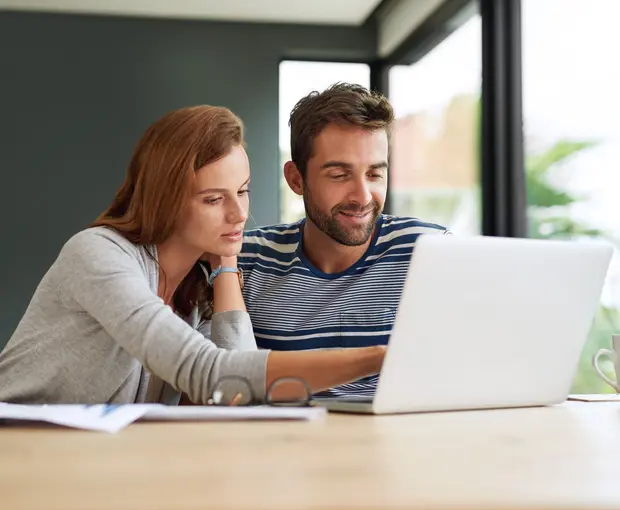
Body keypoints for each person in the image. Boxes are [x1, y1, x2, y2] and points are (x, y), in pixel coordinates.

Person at [0, 105, 385, 405]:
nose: (239, 214)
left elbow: (232, 393)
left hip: (94, 465)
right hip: (20, 452)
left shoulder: (193, 291)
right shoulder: (98, 255)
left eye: (243, 191)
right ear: (165, 201)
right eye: (214, 199)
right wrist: (377, 358)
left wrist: (227, 263)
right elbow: (211, 372)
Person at [239, 83, 451, 398]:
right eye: (340, 175)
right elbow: (226, 384)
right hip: (287, 443)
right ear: (296, 179)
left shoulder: (430, 251)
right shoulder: (248, 259)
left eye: (375, 175)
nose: (362, 197)